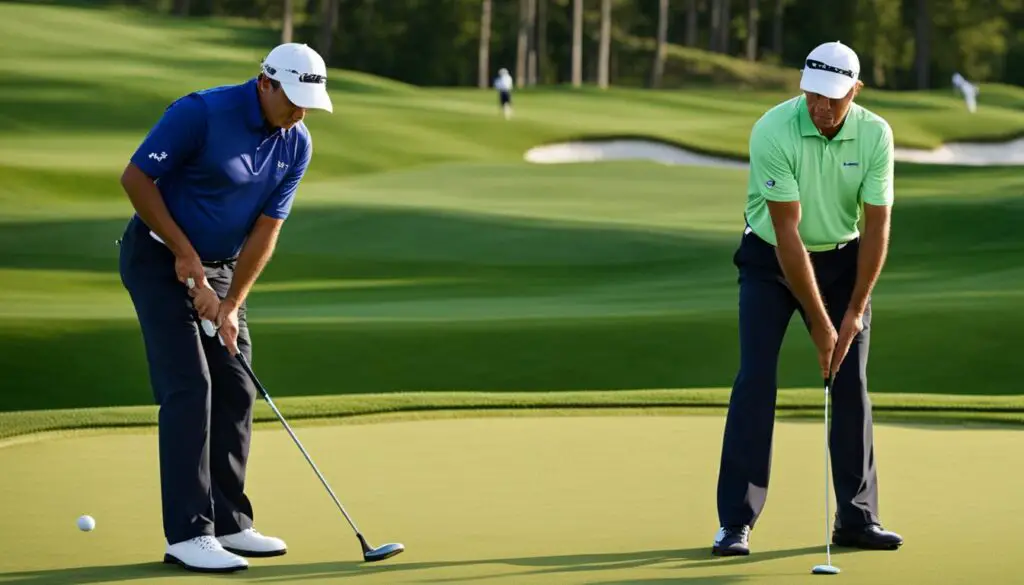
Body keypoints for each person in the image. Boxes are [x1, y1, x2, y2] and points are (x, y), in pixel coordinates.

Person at [117, 43, 332, 573]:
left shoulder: (296, 142)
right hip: (156, 254)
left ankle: (231, 523)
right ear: (266, 82)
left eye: (310, 102)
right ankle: (189, 535)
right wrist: (185, 255)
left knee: (236, 383)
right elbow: (136, 179)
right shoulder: (201, 113)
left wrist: (231, 301)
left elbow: (267, 229)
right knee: (191, 386)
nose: (301, 111)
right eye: (294, 99)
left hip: (219, 265)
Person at [711, 41, 904, 557]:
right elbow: (787, 233)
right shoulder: (773, 129)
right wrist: (822, 324)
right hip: (772, 259)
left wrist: (854, 311)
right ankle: (735, 523)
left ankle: (857, 518)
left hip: (844, 260)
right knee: (756, 379)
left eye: (833, 98)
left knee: (852, 381)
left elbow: (877, 226)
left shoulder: (876, 134)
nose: (820, 106)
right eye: (813, 94)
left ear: (855, 92)